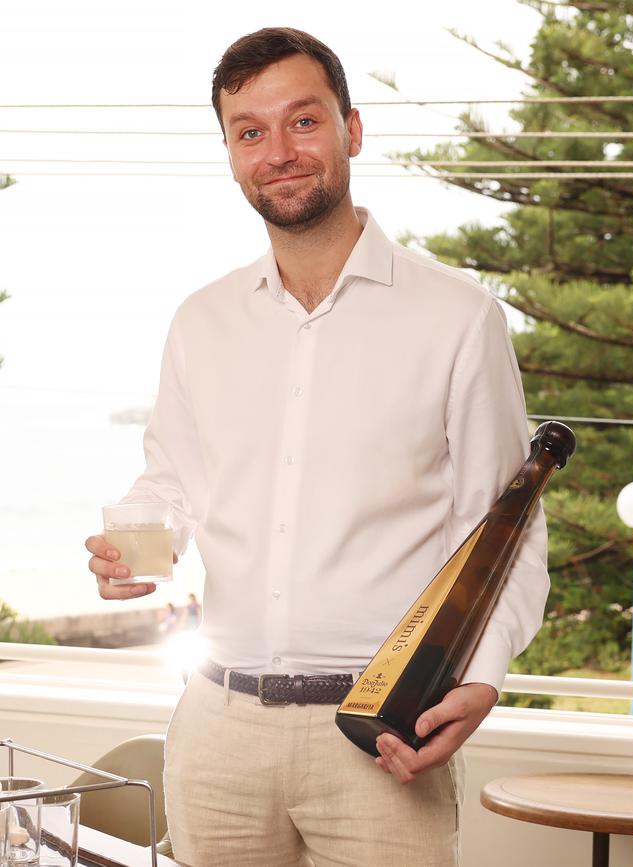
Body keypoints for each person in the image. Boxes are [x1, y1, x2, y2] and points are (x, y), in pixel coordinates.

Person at [85, 27, 549, 867]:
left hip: (378, 734)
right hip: (215, 731)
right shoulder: (203, 321)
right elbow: (173, 485)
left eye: (304, 121)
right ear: (230, 154)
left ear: (352, 130)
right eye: (250, 131)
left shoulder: (456, 318)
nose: (279, 151)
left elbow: (504, 526)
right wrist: (135, 547)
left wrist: (480, 676)